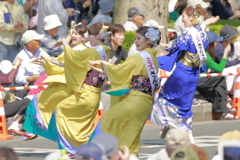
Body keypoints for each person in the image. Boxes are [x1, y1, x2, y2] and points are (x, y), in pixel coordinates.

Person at [24, 23, 111, 156]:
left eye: (88, 35)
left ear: (97, 36)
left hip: (83, 92)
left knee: (57, 109)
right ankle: (82, 148)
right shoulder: (102, 50)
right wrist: (48, 61)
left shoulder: (91, 50)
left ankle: (72, 148)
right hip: (89, 93)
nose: (88, 39)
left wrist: (66, 39)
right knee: (80, 123)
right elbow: (70, 64)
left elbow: (71, 58)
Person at [89, 26, 161, 154]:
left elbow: (120, 71)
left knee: (107, 121)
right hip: (145, 103)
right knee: (131, 136)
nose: (136, 42)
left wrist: (104, 64)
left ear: (149, 40)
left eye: (139, 38)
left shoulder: (139, 57)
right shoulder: (153, 59)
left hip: (134, 100)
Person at [152, 5, 208, 144]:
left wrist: (168, 48)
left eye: (183, 16)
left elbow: (178, 46)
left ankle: (167, 123)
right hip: (193, 74)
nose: (182, 20)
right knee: (185, 104)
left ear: (191, 17)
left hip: (181, 72)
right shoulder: (203, 35)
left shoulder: (188, 33)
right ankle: (187, 134)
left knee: (165, 95)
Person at [22, 24, 88, 141]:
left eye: (76, 34)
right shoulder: (87, 50)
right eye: (72, 33)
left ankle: (31, 131)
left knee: (37, 102)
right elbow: (62, 64)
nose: (73, 35)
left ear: (84, 37)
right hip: (80, 89)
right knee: (64, 117)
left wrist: (46, 63)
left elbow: (59, 65)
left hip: (65, 87)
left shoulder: (74, 50)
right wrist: (45, 62)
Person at [197, 31, 239, 120]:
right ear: (211, 43)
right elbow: (219, 69)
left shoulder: (203, 52)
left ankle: (223, 112)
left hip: (199, 79)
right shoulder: (205, 54)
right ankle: (225, 103)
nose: (217, 43)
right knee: (220, 77)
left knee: (217, 86)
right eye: (216, 41)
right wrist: (225, 54)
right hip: (197, 80)